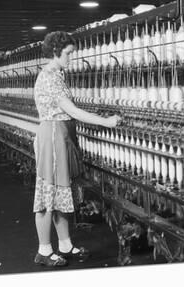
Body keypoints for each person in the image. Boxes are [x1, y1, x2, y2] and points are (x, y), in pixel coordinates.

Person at [32, 31, 120, 267]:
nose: (72, 57)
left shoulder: (57, 74)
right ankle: (43, 250)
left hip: (60, 134)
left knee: (62, 192)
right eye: (69, 53)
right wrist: (105, 121)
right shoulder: (50, 76)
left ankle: (65, 245)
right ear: (55, 51)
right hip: (52, 135)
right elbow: (72, 111)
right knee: (48, 194)